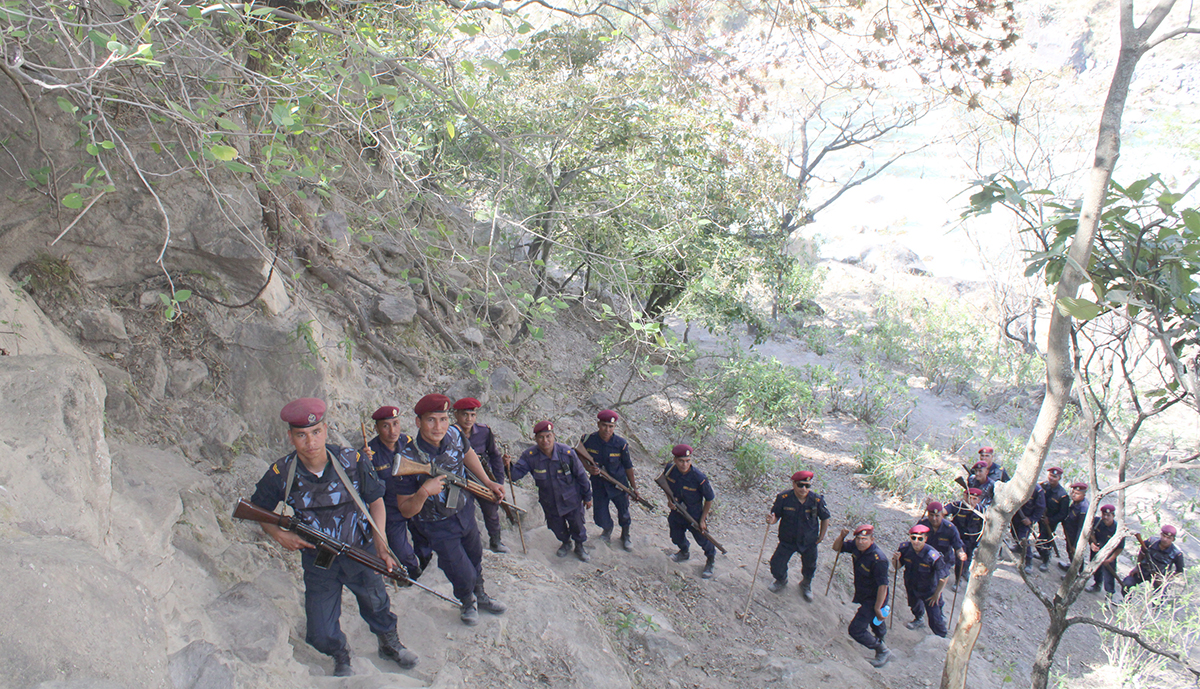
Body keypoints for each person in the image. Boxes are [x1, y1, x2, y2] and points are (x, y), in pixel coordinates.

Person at [249, 398, 417, 677]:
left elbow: (376, 500)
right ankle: (340, 653)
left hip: (359, 549)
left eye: (316, 433)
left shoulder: (351, 460)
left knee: (376, 602)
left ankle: (389, 643)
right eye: (301, 435)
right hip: (319, 560)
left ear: (325, 430)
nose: (310, 442)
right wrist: (280, 535)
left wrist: (381, 544)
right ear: (290, 437)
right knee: (320, 630)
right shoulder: (282, 473)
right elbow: (258, 510)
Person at [394, 394, 507, 626]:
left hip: (464, 511)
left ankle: (481, 595)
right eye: (431, 420)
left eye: (443, 419)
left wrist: (488, 482)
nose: (439, 427)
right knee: (458, 567)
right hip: (436, 524)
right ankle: (467, 600)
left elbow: (467, 454)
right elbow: (405, 510)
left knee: (475, 555)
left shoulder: (454, 434)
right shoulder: (407, 458)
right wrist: (424, 492)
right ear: (418, 422)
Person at [507, 420, 593, 562]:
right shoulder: (530, 456)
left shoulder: (566, 453)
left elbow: (581, 476)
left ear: (554, 436)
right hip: (550, 502)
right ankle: (566, 543)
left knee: (577, 525)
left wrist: (588, 497)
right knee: (556, 527)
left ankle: (579, 546)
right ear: (535, 439)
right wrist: (507, 466)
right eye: (541, 437)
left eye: (548, 436)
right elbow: (515, 476)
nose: (545, 440)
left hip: (571, 499)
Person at [367, 405, 423, 578]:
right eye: (386, 426)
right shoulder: (370, 452)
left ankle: (424, 567)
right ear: (376, 428)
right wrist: (364, 463)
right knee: (402, 551)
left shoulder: (407, 442)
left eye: (396, 423)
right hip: (390, 509)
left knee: (425, 540)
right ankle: (412, 575)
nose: (393, 430)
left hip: (412, 501)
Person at [576, 410, 639, 551]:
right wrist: (588, 468)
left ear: (615, 427)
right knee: (599, 514)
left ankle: (625, 535)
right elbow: (578, 454)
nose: (607, 429)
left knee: (623, 512)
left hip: (619, 484)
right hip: (599, 485)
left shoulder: (621, 444)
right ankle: (607, 530)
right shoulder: (588, 440)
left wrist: (634, 488)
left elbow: (628, 467)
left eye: (611, 426)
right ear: (598, 424)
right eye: (604, 425)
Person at [453, 397, 509, 554]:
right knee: (463, 511)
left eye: (472, 415)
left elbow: (495, 456)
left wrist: (498, 481)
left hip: (483, 478)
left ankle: (496, 541)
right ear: (456, 415)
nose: (468, 419)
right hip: (460, 480)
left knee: (491, 510)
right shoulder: (449, 434)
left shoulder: (484, 431)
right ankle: (467, 543)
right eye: (465, 414)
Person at [832, 524, 892, 668]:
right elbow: (836, 548)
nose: (860, 542)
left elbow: (883, 586)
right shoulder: (855, 546)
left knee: (856, 629)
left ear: (872, 539)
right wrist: (842, 536)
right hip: (864, 593)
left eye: (864, 539)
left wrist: (878, 607)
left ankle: (882, 650)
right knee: (875, 621)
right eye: (858, 538)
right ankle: (880, 640)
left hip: (876, 597)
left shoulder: (879, 559)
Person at [766, 470, 830, 601]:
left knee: (810, 566)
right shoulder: (783, 498)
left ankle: (806, 584)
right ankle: (781, 580)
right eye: (800, 485)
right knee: (776, 565)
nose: (804, 488)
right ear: (794, 484)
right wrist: (771, 520)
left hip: (809, 541)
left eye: (807, 485)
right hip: (788, 539)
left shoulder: (816, 500)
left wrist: (822, 536)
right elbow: (775, 515)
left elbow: (825, 517)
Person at [658, 444, 717, 579]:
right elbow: (665, 485)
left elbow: (709, 499)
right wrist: (670, 500)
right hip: (677, 511)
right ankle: (684, 551)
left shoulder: (699, 478)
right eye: (681, 461)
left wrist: (702, 520)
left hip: (694, 514)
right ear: (675, 460)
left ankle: (710, 559)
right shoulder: (670, 470)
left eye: (687, 461)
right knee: (675, 535)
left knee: (702, 539)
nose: (685, 464)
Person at [893, 524, 952, 637]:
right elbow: (897, 567)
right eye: (913, 538)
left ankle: (942, 637)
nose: (916, 541)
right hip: (911, 585)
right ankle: (918, 619)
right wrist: (895, 559)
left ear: (925, 539)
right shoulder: (904, 548)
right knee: (914, 606)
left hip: (929, 590)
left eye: (920, 538)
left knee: (935, 618)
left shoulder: (932, 555)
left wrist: (937, 594)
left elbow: (944, 577)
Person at [1122, 525, 1184, 592]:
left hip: (1158, 577)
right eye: (1164, 536)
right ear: (1160, 535)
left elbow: (1179, 571)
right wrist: (1137, 567)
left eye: (1169, 538)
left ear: (1173, 539)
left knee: (1159, 598)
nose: (1165, 539)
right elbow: (1142, 552)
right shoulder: (1151, 542)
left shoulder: (1176, 553)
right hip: (1143, 570)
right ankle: (1127, 601)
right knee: (1126, 585)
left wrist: (1165, 579)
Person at [946, 488, 984, 590]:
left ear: (979, 500)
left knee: (969, 557)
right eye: (969, 497)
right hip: (958, 538)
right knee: (960, 559)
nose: (971, 501)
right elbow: (944, 511)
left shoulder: (981, 511)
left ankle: (965, 571)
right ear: (965, 496)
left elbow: (983, 526)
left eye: (974, 498)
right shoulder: (957, 506)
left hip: (972, 539)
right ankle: (957, 581)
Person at [1085, 504, 1125, 602]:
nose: (1105, 517)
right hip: (1097, 551)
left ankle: (1109, 593)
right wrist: (1091, 544)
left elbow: (1120, 548)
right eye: (1104, 514)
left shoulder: (1117, 529)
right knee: (1095, 569)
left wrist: (1110, 559)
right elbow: (1089, 532)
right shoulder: (1097, 521)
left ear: (1113, 516)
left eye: (1108, 515)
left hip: (1109, 554)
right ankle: (1097, 584)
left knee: (1109, 574)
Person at [1037, 467, 1070, 572]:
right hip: (1041, 517)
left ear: (1059, 478)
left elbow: (1063, 514)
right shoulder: (1044, 486)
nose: (1052, 478)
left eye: (1055, 477)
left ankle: (1046, 559)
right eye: (1050, 475)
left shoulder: (1062, 495)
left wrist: (1050, 520)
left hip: (1051, 521)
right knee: (1043, 538)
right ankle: (1042, 553)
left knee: (1043, 540)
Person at [918, 502, 967, 571]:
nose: (934, 518)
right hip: (925, 558)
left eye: (937, 515)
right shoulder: (922, 524)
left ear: (942, 515)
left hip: (944, 560)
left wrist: (961, 554)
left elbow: (958, 546)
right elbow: (914, 541)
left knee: (941, 578)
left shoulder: (950, 528)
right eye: (931, 515)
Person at [1012, 481, 1046, 574]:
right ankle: (1019, 548)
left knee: (1024, 538)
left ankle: (1029, 561)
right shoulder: (1017, 483)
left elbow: (1040, 508)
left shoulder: (1037, 490)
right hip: (1016, 516)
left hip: (1026, 518)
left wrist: (1031, 519)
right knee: (1014, 533)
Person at [1058, 482, 1090, 569]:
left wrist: (1076, 545)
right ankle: (1072, 566)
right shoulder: (1076, 502)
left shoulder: (1083, 508)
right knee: (1069, 550)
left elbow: (1081, 528)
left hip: (1076, 535)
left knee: (1075, 553)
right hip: (1070, 532)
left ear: (1084, 494)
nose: (1074, 495)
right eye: (1073, 492)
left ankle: (1076, 572)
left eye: (1078, 494)